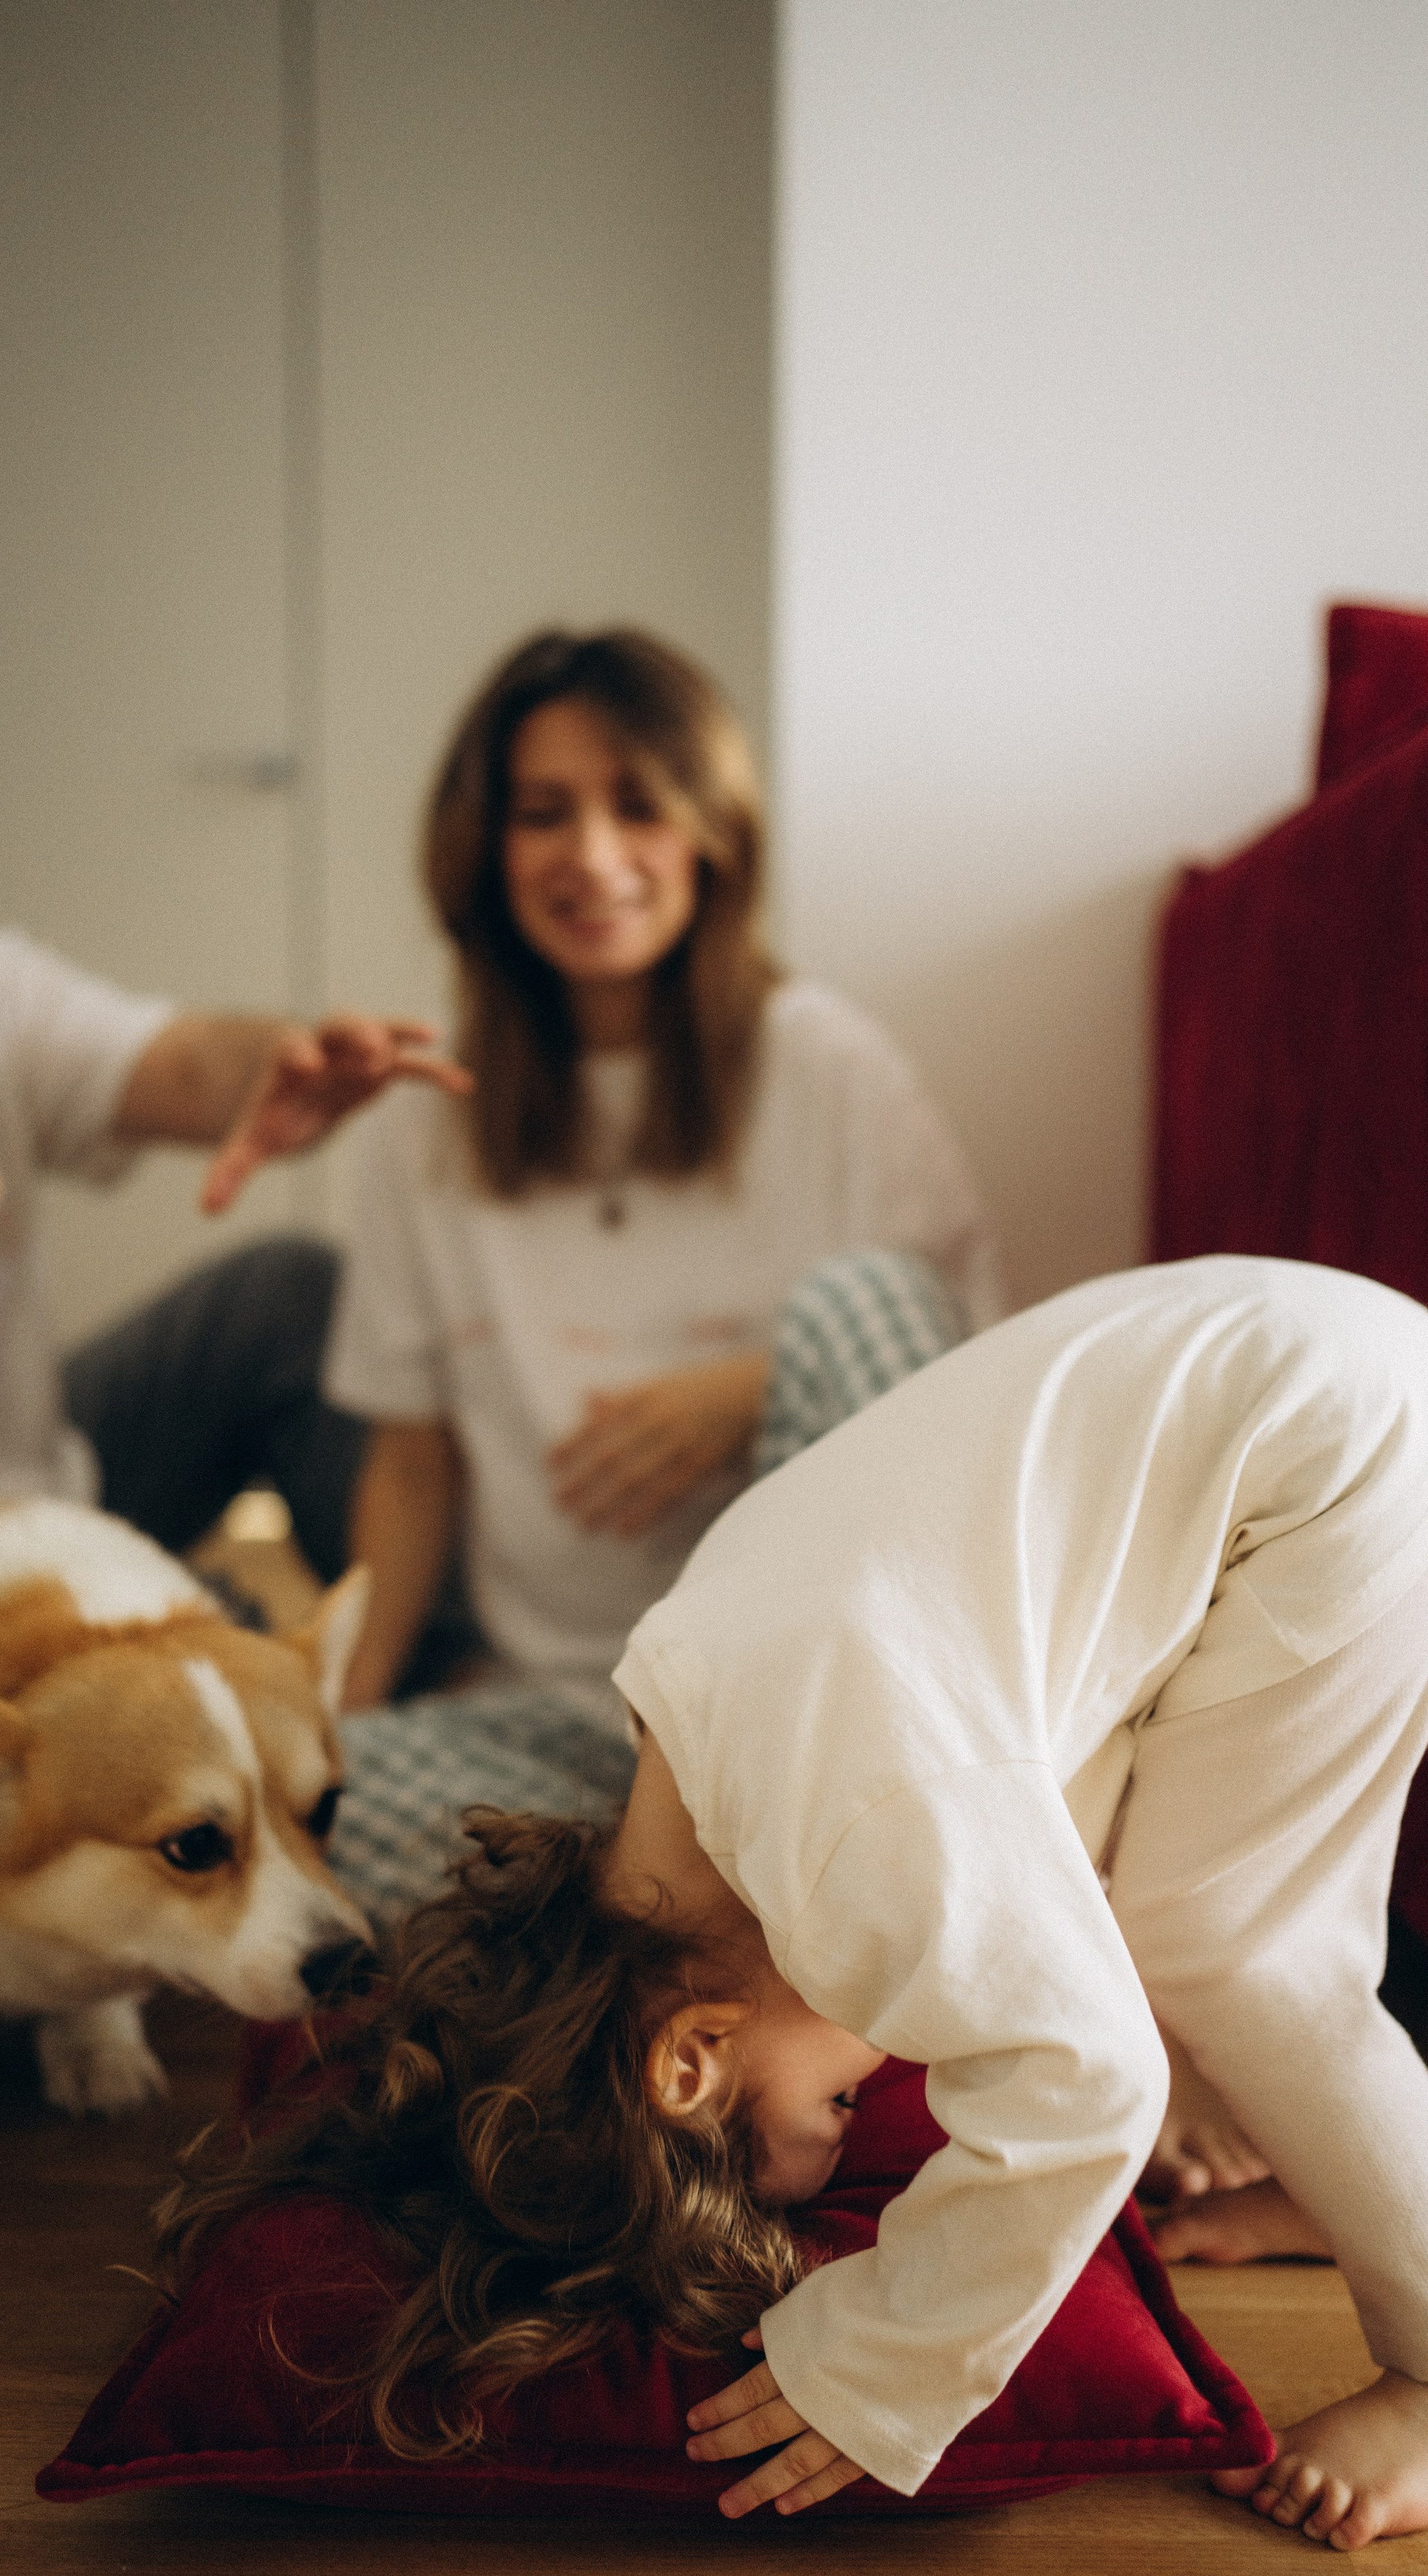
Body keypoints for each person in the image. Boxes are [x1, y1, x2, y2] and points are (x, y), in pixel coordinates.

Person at [158, 1255, 1428, 2549]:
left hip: (1329, 1443)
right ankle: (1316, 2171)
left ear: (689, 2058)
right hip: (1264, 1366)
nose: (883, 2086)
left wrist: (882, 2365)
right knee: (1142, 1909)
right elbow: (994, 1803)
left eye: (828, 2117)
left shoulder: (850, 1836)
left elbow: (1081, 2088)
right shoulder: (686, 1722)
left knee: (1246, 1954)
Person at [325, 627, 1000, 1911]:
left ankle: (731, 1884)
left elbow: (959, 1385)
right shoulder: (426, 1126)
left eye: (637, 804)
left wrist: (750, 1385)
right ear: (487, 850)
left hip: (812, 1712)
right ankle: (714, 1906)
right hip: (571, 1728)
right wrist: (324, 1748)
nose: (591, 856)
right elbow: (409, 1466)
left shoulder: (825, 1066)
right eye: (543, 814)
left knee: (867, 1303)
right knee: (318, 1816)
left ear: (711, 832)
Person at [0, 698, 466, 1618]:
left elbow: (183, 1064)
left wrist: (283, 1060)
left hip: (40, 1511)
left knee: (285, 1293)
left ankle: (434, 1670)